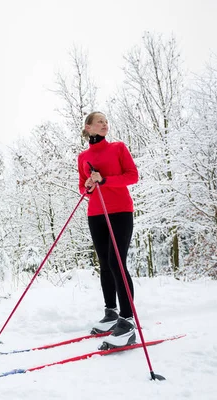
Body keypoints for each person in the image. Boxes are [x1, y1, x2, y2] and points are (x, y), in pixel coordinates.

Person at [77, 111, 139, 348]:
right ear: (88, 127)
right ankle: (111, 312)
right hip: (96, 213)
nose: (104, 124)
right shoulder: (83, 156)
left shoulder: (118, 148)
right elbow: (84, 190)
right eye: (99, 121)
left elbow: (132, 176)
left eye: (106, 121)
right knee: (104, 263)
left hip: (120, 211)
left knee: (117, 263)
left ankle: (127, 320)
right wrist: (89, 185)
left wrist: (105, 180)